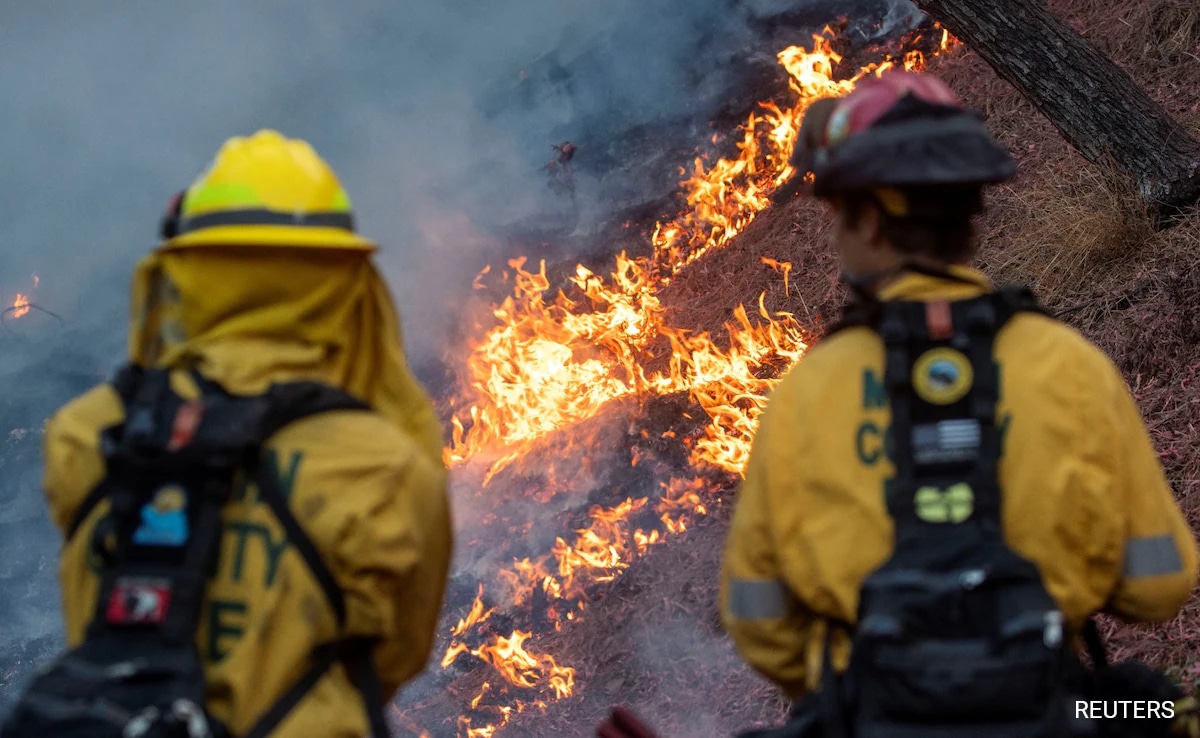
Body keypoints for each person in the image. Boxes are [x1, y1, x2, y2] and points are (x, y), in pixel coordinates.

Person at [717, 69, 1199, 737]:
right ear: (971, 213)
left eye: (838, 212)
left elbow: (760, 621)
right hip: (1058, 714)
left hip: (877, 720)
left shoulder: (808, 392)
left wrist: (863, 689)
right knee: (1160, 709)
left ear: (866, 217)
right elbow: (1159, 583)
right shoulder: (1067, 365)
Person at [13, 130, 452, 737]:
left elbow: (92, 609)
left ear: (184, 273)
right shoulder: (381, 464)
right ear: (340, 277)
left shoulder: (85, 434)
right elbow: (394, 658)